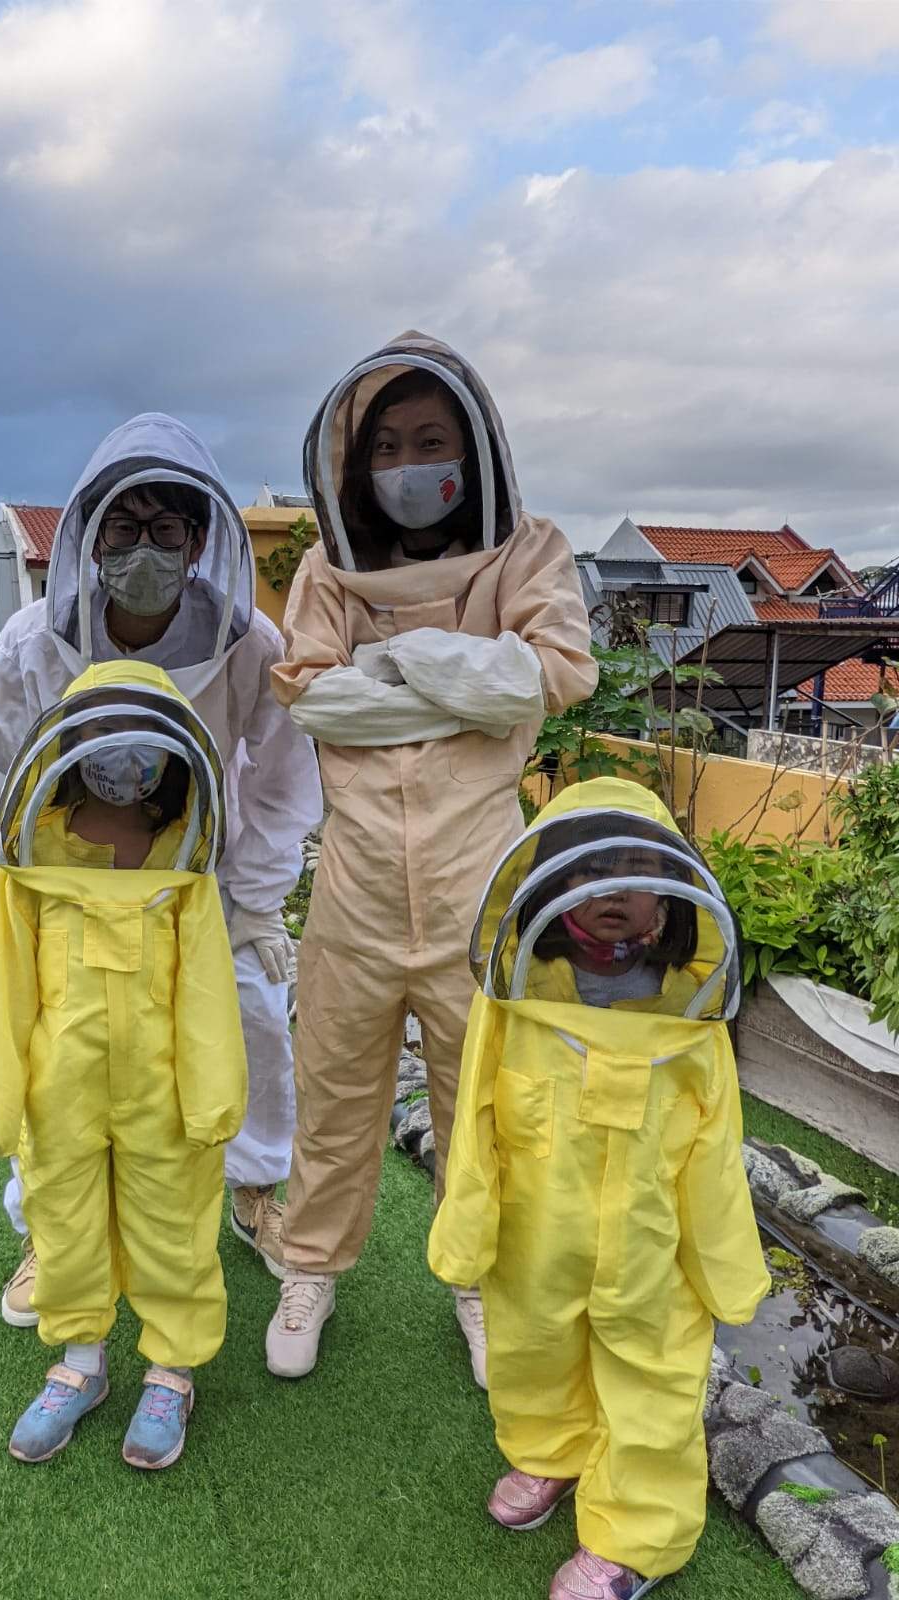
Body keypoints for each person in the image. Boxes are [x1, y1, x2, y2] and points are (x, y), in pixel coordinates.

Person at [266, 331, 598, 1383]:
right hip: (355, 897)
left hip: (476, 895)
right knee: (333, 1095)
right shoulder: (327, 569)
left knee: (482, 1106)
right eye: (390, 446)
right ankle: (308, 1268)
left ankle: (479, 1283)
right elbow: (312, 695)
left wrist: (400, 655)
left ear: (476, 449)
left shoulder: (528, 552)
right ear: (356, 467)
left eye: (432, 440)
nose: (411, 464)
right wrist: (469, 684)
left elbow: (556, 675)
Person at [0, 415, 322, 1322]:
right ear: (93, 533)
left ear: (198, 541)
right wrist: (12, 885)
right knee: (50, 1051)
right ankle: (47, 1228)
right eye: (126, 526)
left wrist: (254, 900)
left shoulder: (247, 644)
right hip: (70, 882)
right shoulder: (38, 638)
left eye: (167, 528)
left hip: (198, 886)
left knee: (255, 1022)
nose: (145, 547)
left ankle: (254, 1191)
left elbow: (284, 774)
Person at [430, 778, 769, 1599]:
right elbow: (475, 1119)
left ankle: (636, 1540)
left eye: (638, 869)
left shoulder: (689, 1008)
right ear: (552, 882)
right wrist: (468, 1227)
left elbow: (715, 1144)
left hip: (651, 1249)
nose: (615, 888)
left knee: (654, 1382)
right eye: (593, 869)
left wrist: (725, 1264)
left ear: (673, 895)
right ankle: (552, 1453)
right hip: (537, 1238)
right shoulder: (519, 995)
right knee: (533, 1351)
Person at [0, 661, 247, 1467]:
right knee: (65, 1224)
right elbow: (5, 986)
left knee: (173, 1230)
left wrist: (214, 1094)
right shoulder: (36, 854)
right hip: (61, 1093)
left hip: (163, 1095)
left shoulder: (181, 860)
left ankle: (171, 1372)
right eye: (100, 731)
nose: (121, 754)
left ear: (172, 751)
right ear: (69, 741)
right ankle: (80, 1364)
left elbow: (207, 994)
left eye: (141, 738)